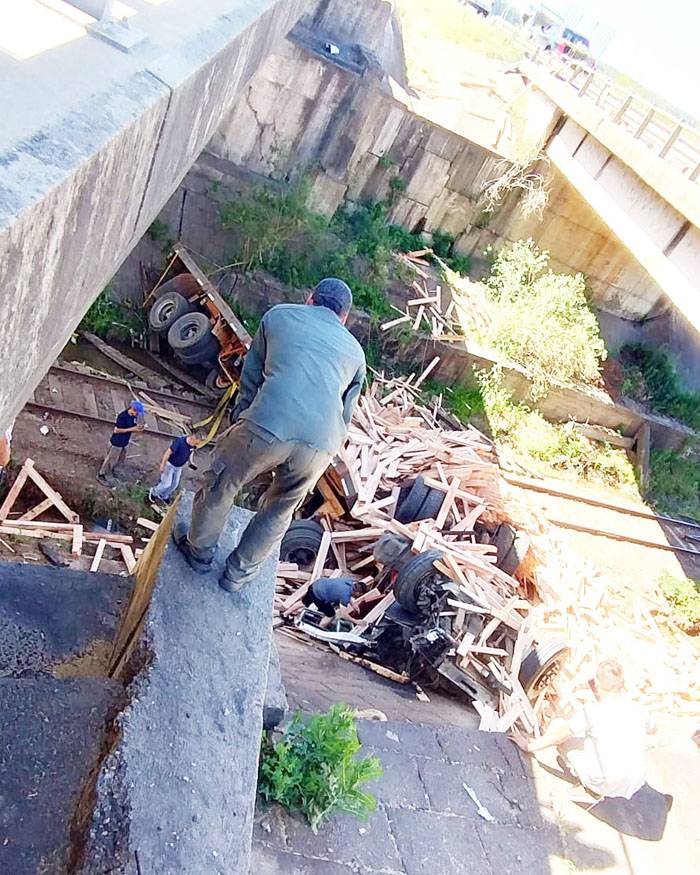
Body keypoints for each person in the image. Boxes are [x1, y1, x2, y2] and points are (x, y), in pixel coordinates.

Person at [173, 278, 366, 592]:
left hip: (269, 423)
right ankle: (236, 576)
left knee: (224, 482)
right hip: (321, 446)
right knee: (280, 509)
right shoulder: (356, 354)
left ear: (310, 298)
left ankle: (198, 552)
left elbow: (251, 374)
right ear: (344, 317)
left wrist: (243, 418)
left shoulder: (279, 316)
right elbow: (346, 412)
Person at [513, 659, 650, 800]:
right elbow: (652, 729)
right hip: (635, 782)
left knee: (557, 726)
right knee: (601, 737)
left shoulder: (593, 711)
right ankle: (597, 778)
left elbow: (557, 737)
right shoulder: (638, 709)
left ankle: (591, 789)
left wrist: (528, 746)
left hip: (605, 781)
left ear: (596, 683)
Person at [98, 400, 146, 484]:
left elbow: (132, 425)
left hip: (124, 442)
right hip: (117, 442)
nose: (138, 415)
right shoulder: (122, 416)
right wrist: (132, 429)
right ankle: (101, 474)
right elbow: (117, 430)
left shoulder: (133, 417)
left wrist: (138, 427)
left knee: (119, 459)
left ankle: (111, 470)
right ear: (133, 410)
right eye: (137, 413)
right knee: (110, 459)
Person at [149, 433, 200, 504]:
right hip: (169, 465)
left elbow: (191, 452)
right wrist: (162, 465)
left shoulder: (192, 445)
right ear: (192, 438)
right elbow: (168, 453)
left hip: (178, 467)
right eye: (195, 443)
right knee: (166, 484)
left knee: (174, 485)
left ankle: (163, 495)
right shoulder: (180, 443)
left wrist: (191, 462)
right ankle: (154, 492)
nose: (195, 445)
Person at [299, 576, 365, 627]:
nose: (358, 596)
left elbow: (348, 593)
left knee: (304, 602)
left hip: (315, 585)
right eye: (360, 594)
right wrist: (356, 621)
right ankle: (318, 628)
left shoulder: (349, 582)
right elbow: (344, 614)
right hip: (319, 595)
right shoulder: (345, 596)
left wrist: (353, 605)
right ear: (358, 592)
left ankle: (288, 612)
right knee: (331, 615)